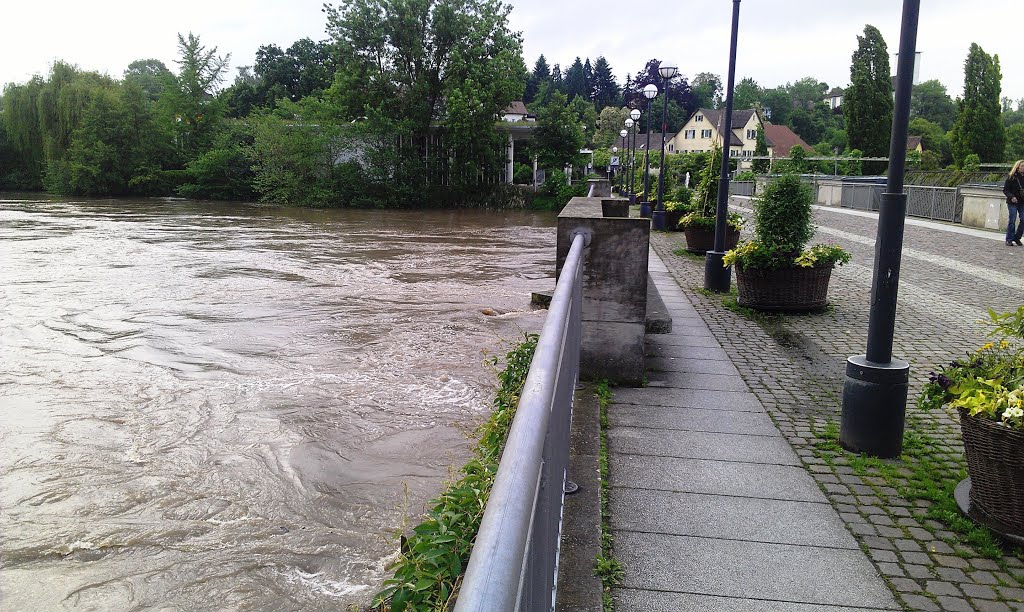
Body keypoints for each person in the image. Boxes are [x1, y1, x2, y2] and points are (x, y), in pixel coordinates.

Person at [1002, 160, 1024, 246]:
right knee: (1012, 220)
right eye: (1022, 166)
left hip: (1022, 201)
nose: (1023, 168)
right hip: (1012, 202)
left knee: (1023, 219)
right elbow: (1005, 190)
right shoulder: (1011, 177)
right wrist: (1012, 197)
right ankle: (1009, 239)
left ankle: (1017, 237)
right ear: (1017, 167)